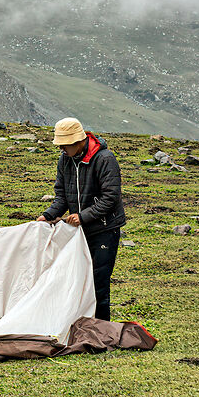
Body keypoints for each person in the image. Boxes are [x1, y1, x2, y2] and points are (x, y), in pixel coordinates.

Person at [40, 118, 124, 322]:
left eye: (64, 144)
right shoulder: (65, 160)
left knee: (98, 282)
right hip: (80, 231)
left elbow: (110, 197)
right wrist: (49, 215)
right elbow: (62, 195)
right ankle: (81, 324)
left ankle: (102, 328)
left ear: (78, 141)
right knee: (77, 280)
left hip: (104, 230)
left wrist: (84, 216)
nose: (61, 148)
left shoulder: (104, 159)